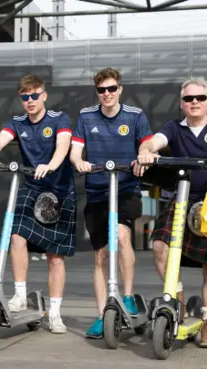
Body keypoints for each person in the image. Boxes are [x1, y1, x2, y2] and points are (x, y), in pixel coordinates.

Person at [135, 77, 207, 349]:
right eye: (188, 98)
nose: (194, 102)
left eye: (200, 98)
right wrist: (144, 152)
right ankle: (179, 302)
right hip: (182, 200)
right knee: (160, 247)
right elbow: (153, 142)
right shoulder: (174, 128)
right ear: (181, 103)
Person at [0, 74, 75, 334]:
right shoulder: (17, 122)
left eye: (35, 95)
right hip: (32, 186)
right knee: (16, 237)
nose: (30, 101)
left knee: (55, 257)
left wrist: (51, 165)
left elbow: (63, 146)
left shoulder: (59, 119)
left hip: (59, 189)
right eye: (25, 97)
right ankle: (20, 294)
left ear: (44, 95)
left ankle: (55, 314)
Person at [69, 67, 153, 339]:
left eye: (112, 89)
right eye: (102, 90)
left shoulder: (135, 116)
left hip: (126, 188)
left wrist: (142, 154)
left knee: (121, 237)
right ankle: (103, 312)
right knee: (101, 255)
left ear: (120, 89)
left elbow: (148, 144)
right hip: (97, 190)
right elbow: (75, 150)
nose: (107, 94)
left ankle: (127, 297)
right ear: (97, 92)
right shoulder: (85, 116)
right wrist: (79, 161)